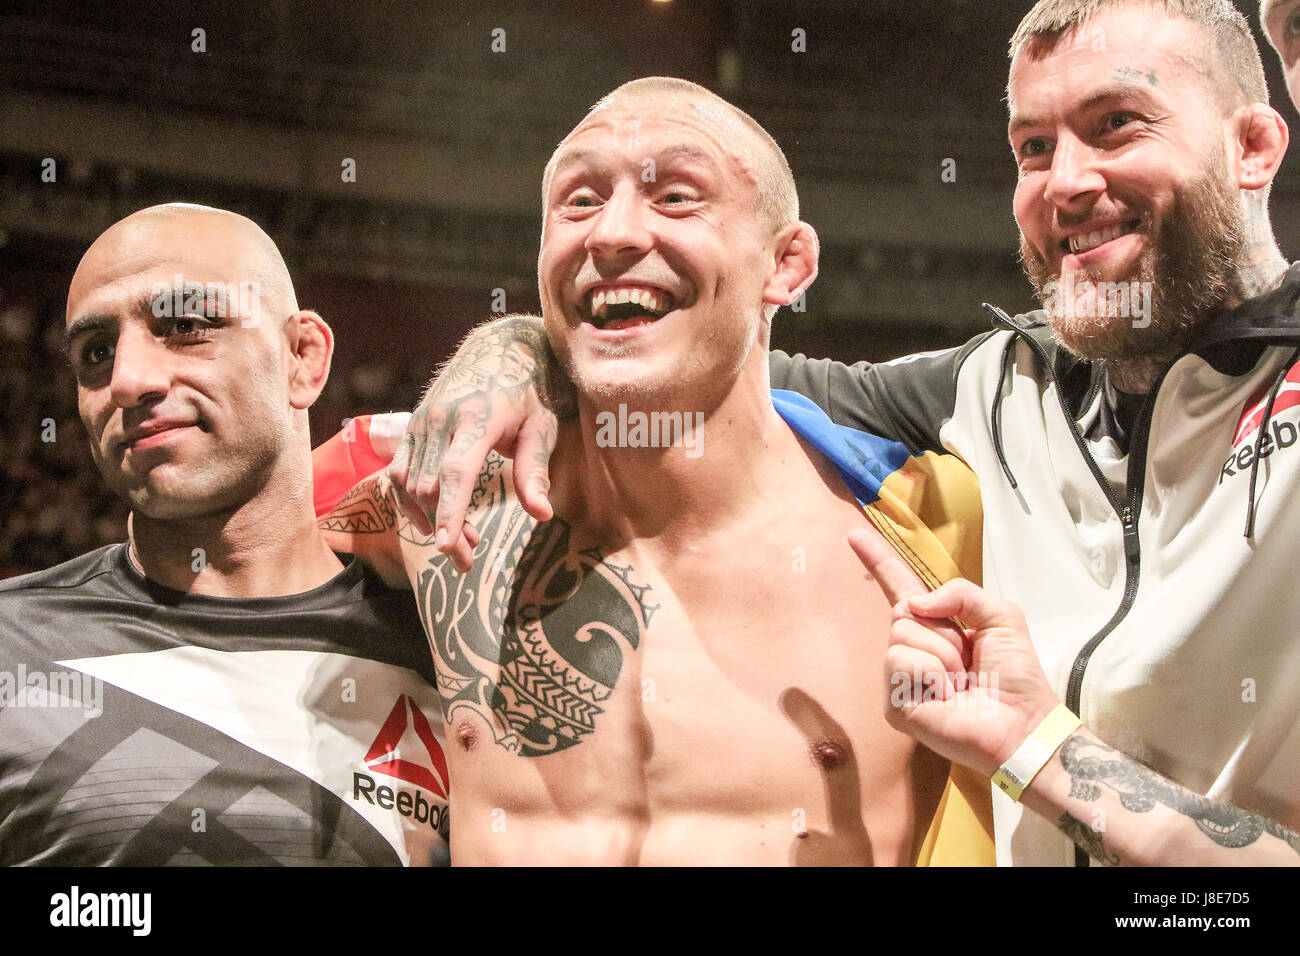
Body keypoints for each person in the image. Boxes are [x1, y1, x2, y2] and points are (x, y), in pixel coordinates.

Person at [357, 0, 1300, 866]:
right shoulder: (993, 396)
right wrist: (512, 351)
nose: (1068, 181)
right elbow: (706, 365)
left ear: (1254, 145)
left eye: (1116, 126)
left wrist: (1034, 746)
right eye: (1033, 147)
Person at [318, 77, 993, 865]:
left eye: (675, 196)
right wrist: (509, 343)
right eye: (577, 201)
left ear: (787, 265)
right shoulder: (440, 495)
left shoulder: (933, 531)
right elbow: (215, 552)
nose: (612, 233)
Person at [0, 203, 450, 866]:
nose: (126, 380)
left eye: (185, 325)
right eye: (96, 352)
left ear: (304, 358)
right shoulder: (13, 648)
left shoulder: (457, 644)